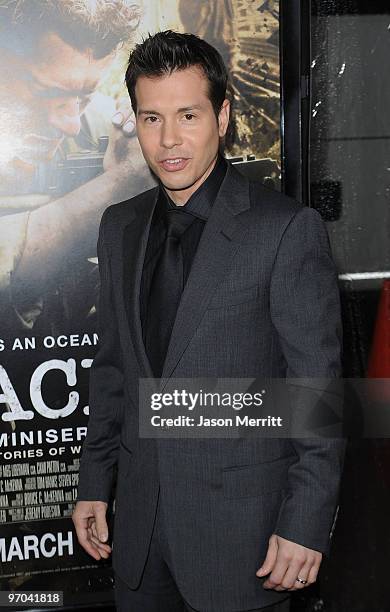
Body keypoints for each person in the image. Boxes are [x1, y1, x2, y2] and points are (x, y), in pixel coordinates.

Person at [72, 31, 345, 612]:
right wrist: (95, 483)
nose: (168, 140)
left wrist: (305, 522)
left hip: (244, 539)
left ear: (222, 117)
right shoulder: (119, 227)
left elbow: (316, 393)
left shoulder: (284, 230)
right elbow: (115, 370)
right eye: (151, 117)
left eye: (187, 115)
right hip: (141, 539)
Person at [0, 0, 153, 333]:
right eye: (44, 93)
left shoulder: (98, 124)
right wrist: (114, 191)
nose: (70, 124)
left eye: (85, 95)